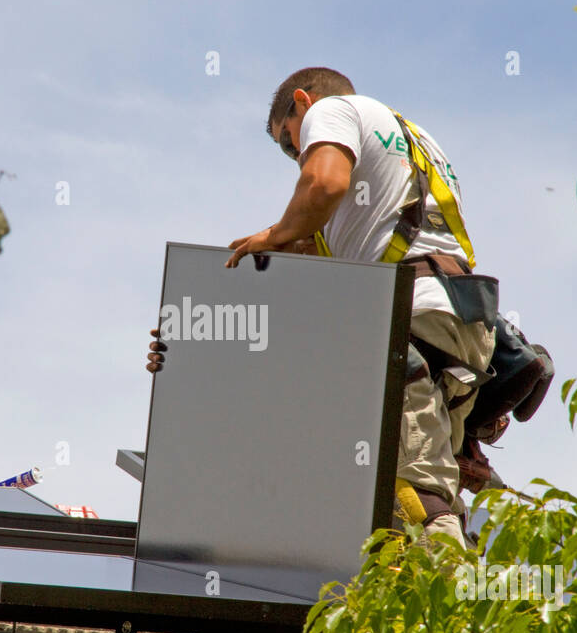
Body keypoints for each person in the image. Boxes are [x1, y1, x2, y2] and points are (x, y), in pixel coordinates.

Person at [151, 67, 493, 549]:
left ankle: (443, 611)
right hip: (457, 323)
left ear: (302, 103)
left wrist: (272, 233)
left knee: (413, 499)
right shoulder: (409, 145)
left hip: (408, 322)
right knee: (407, 481)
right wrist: (187, 348)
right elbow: (302, 277)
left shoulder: (333, 111)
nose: (296, 157)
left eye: (289, 142)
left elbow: (324, 186)